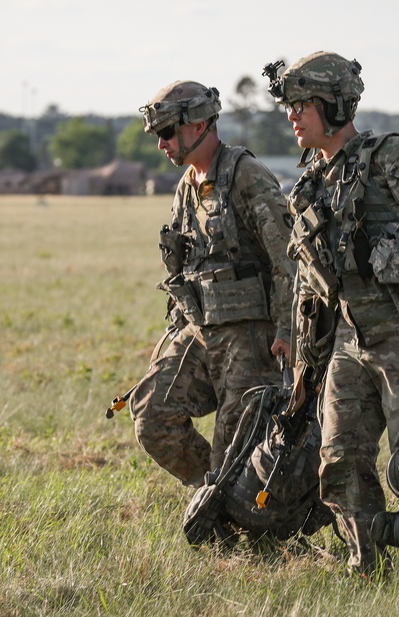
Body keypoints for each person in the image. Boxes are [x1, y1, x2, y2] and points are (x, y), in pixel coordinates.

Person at [263, 52, 399, 577]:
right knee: (340, 458)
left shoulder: (393, 160)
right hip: (346, 342)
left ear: (334, 106)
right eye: (290, 107)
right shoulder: (310, 185)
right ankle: (368, 565)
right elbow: (309, 285)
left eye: (302, 106)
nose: (293, 117)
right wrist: (304, 364)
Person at [129, 81, 296, 491]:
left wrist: (289, 332)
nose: (161, 144)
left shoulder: (247, 176)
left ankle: (238, 510)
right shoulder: (187, 186)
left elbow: (288, 259)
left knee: (235, 452)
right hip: (201, 332)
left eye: (167, 132)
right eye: (157, 135)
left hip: (252, 340)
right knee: (152, 416)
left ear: (199, 124)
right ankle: (217, 496)